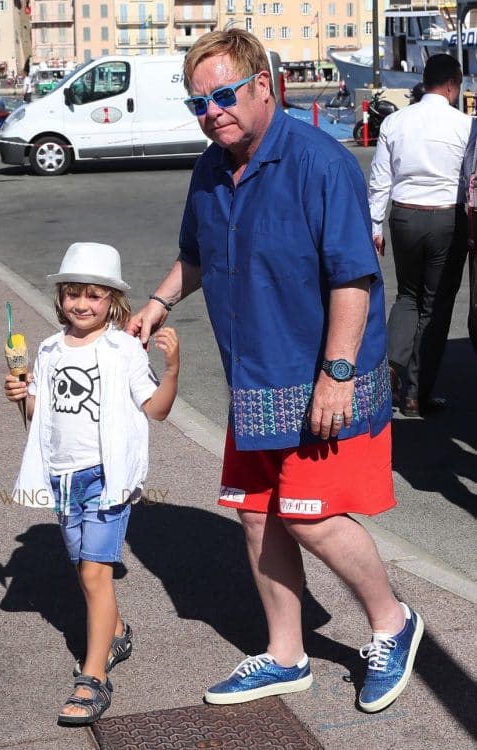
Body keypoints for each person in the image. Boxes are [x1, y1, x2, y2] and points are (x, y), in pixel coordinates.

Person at [129, 29, 423, 714]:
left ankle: (393, 623)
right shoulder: (210, 167)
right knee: (260, 518)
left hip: (321, 376)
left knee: (312, 516)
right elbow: (195, 254)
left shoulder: (321, 163)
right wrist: (155, 303)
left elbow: (354, 276)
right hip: (254, 381)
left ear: (264, 84)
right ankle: (286, 655)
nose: (213, 112)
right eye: (198, 102)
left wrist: (338, 373)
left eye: (224, 95)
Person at [4, 242, 179, 725]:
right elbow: (40, 418)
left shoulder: (123, 348)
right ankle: (117, 631)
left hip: (106, 476)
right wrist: (21, 394)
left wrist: (174, 369)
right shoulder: (48, 349)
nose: (82, 304)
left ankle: (95, 675)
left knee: (94, 573)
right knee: (83, 566)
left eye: (93, 296)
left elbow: (157, 410)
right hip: (63, 474)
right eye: (73, 294)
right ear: (60, 297)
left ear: (113, 302)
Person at [369, 54, 472, 417]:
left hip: (404, 215)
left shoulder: (395, 121)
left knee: (407, 296)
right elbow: (470, 182)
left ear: (424, 81)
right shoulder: (465, 125)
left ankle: (386, 371)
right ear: (451, 85)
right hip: (446, 218)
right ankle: (416, 393)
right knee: (436, 305)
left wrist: (375, 225)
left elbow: (380, 176)